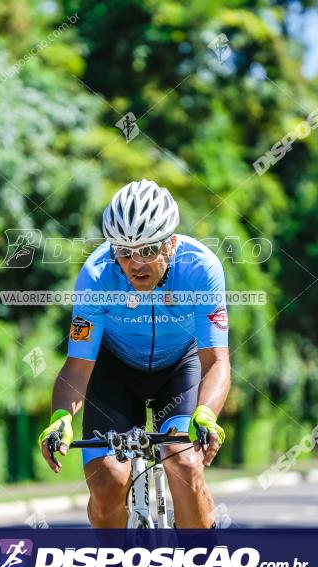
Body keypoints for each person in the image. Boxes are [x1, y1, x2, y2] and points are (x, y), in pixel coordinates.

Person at [38, 179, 231, 529]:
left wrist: (206, 414)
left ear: (171, 244)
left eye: (146, 251)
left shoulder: (201, 269)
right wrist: (60, 419)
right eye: (124, 253)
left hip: (179, 369)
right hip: (115, 371)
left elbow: (216, 361)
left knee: (183, 463)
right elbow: (78, 366)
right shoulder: (96, 276)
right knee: (107, 480)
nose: (134, 264)